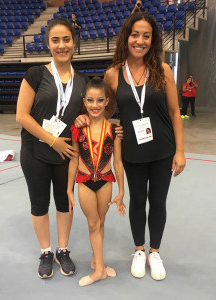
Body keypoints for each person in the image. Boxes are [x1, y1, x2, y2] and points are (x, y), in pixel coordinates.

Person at [103, 12, 186, 281]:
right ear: (126, 37)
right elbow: (108, 110)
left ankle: (154, 251)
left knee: (157, 200)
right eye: (135, 34)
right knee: (138, 200)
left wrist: (181, 150)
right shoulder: (113, 74)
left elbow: (175, 112)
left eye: (146, 36)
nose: (140, 40)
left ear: (153, 39)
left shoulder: (161, 70)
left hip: (163, 148)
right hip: (132, 150)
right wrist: (98, 120)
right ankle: (139, 250)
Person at [16, 18, 90, 279]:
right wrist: (52, 139)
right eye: (56, 40)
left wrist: (83, 118)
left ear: (74, 42)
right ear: (48, 44)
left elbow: (83, 114)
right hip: (36, 151)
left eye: (66, 39)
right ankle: (46, 251)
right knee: (39, 203)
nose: (62, 45)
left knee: (64, 202)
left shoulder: (82, 81)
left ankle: (62, 250)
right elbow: (22, 116)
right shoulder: (35, 74)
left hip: (65, 154)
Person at [67, 77, 126, 287]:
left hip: (106, 181)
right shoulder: (78, 128)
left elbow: (118, 162)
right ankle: (100, 270)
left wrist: (121, 191)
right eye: (90, 100)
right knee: (93, 223)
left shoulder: (113, 130)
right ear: (84, 101)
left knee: (101, 223)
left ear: (107, 101)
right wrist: (69, 189)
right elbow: (74, 158)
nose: (95, 105)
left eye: (100, 100)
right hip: (84, 181)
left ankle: (96, 260)